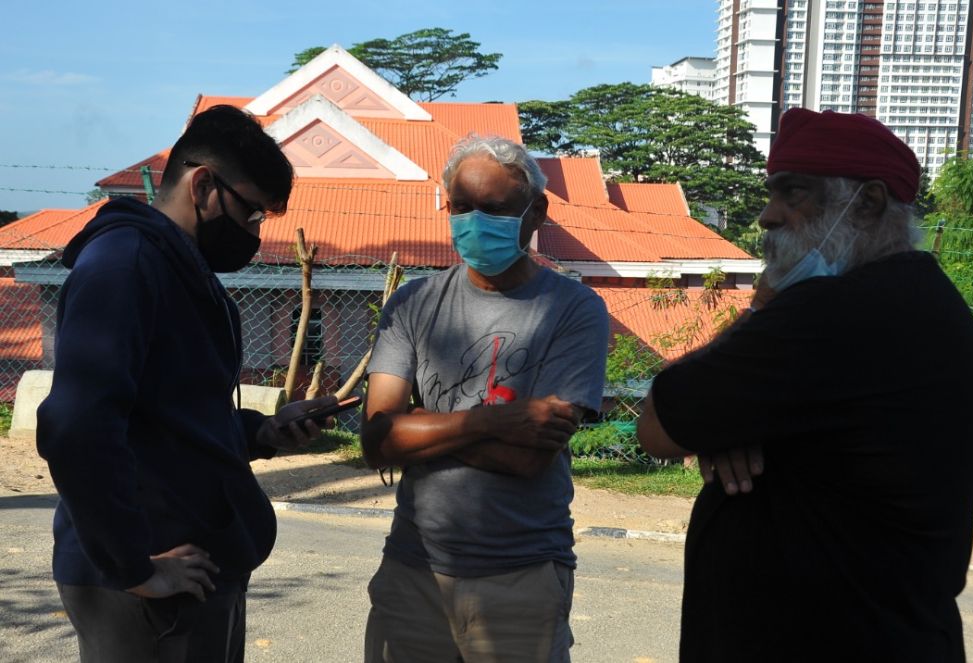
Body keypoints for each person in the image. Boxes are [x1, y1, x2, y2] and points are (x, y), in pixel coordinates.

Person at [637, 108, 973, 662]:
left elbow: (658, 425)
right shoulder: (921, 297)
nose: (766, 216)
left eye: (793, 193)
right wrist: (722, 421)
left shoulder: (835, 312)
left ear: (869, 202)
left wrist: (761, 307)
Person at [36, 105, 342, 662]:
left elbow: (169, 412)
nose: (252, 232)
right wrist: (133, 567)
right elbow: (75, 425)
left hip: (196, 566)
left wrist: (262, 432)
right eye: (251, 213)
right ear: (203, 184)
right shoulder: (124, 264)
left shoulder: (179, 266)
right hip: (149, 578)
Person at [361, 135, 609, 662]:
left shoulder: (574, 310)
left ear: (536, 212)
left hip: (520, 573)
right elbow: (377, 440)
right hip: (413, 569)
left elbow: (528, 458)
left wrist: (421, 425)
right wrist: (490, 423)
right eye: (462, 207)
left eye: (494, 209)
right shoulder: (413, 304)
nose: (474, 222)